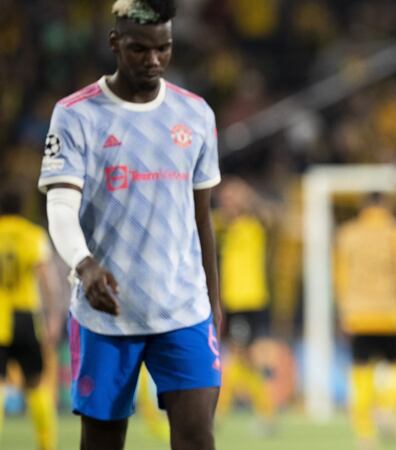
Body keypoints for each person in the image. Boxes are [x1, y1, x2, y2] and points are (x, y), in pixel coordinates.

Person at [37, 1, 222, 449]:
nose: (154, 60)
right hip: (106, 315)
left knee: (198, 437)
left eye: (164, 49)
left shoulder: (196, 115)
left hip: (183, 311)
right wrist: (84, 265)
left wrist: (215, 302)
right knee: (102, 442)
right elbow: (61, 205)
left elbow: (202, 217)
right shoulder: (76, 114)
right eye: (140, 49)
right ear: (115, 42)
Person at [334, 193, 396, 450]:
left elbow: (340, 277)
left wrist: (343, 311)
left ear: (363, 207)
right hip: (390, 313)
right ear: (385, 205)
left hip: (358, 315)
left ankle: (364, 435)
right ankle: (385, 407)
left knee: (361, 374)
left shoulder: (346, 235)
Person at [214, 177, 276, 431]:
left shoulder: (255, 225)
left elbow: (273, 215)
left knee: (237, 356)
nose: (230, 203)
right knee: (246, 358)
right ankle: (266, 414)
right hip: (232, 300)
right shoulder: (221, 227)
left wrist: (249, 196)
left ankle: (220, 412)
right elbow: (200, 219)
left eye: (233, 199)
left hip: (249, 299)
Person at [0, 188, 60, 450]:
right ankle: (46, 445)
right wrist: (54, 318)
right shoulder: (33, 235)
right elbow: (48, 281)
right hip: (25, 316)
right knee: (36, 382)